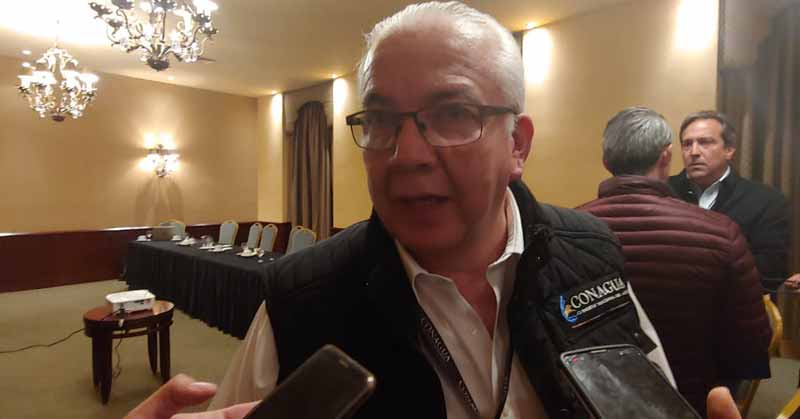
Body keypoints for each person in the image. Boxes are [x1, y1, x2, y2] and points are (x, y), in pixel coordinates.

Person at [128, 2, 743, 418]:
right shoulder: (300, 298)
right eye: (381, 120)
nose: (406, 154)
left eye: (453, 114)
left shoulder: (594, 254)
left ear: (518, 144)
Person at [577, 107, 772, 416]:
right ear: (666, 156)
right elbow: (752, 342)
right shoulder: (721, 231)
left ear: (606, 162)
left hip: (592, 400)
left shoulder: (563, 230)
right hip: (692, 399)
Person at [668, 110, 794, 294]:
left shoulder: (766, 201)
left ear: (729, 150)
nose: (694, 152)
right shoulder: (662, 191)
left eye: (705, 142)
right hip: (667, 306)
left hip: (734, 308)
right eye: (687, 144)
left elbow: (770, 273)